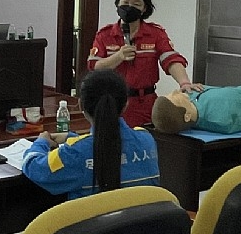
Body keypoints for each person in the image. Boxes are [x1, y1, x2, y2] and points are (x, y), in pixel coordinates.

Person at [22, 69, 160, 200]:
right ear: (126, 105)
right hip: (142, 218)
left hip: (93, 218)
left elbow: (34, 167)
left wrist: (42, 142)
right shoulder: (147, 140)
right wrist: (72, 138)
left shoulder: (74, 154)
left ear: (80, 105)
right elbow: (108, 143)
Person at [87, 0, 202, 127]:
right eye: (125, 2)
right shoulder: (105, 35)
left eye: (136, 4)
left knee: (145, 138)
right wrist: (118, 56)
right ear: (118, 2)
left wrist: (184, 82)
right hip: (111, 102)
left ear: (144, 8)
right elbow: (94, 67)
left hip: (144, 103)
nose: (129, 7)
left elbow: (171, 59)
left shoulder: (155, 34)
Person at [151, 85, 241, 134]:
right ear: (187, 116)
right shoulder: (221, 115)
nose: (175, 91)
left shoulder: (192, 99)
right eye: (175, 98)